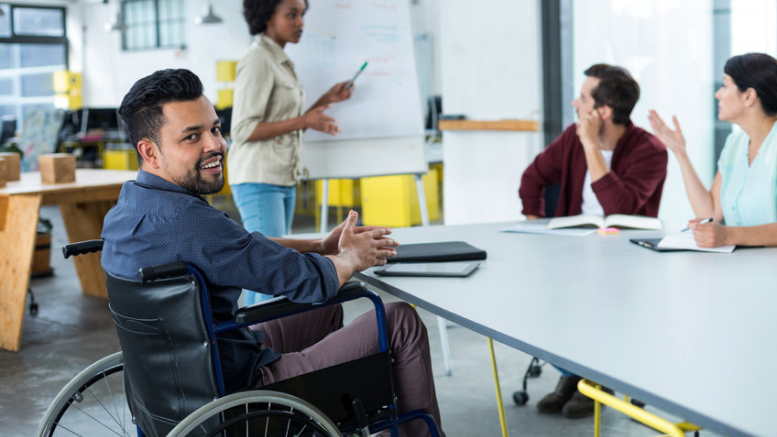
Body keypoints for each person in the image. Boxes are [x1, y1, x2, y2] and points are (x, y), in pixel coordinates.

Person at [101, 69, 444, 437]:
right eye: (191, 137)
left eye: (215, 129)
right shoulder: (191, 221)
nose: (215, 145)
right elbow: (311, 281)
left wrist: (318, 246)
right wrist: (352, 258)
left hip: (179, 385)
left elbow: (237, 246)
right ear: (150, 151)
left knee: (325, 313)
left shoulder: (127, 209)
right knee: (397, 321)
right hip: (237, 394)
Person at [518, 64, 667, 418]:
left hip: (626, 260)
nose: (574, 102)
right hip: (572, 251)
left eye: (583, 98)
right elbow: (531, 179)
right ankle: (575, 375)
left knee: (597, 300)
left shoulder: (650, 150)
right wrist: (536, 226)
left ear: (603, 112)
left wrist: (590, 145)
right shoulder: (573, 137)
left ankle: (595, 380)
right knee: (540, 303)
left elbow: (620, 208)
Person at [229, 0, 355, 306]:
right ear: (267, 16)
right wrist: (305, 120)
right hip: (259, 177)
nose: (300, 22)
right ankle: (259, 344)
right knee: (268, 271)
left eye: (302, 15)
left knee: (274, 265)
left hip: (281, 176)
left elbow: (285, 123)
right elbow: (243, 128)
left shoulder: (279, 60)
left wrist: (326, 99)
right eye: (291, 14)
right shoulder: (258, 58)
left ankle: (266, 342)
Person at [648, 52, 777, 248]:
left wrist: (730, 235)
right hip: (743, 269)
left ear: (749, 96)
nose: (718, 94)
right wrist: (681, 153)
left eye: (725, 85)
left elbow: (727, 233)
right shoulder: (735, 144)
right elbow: (711, 213)